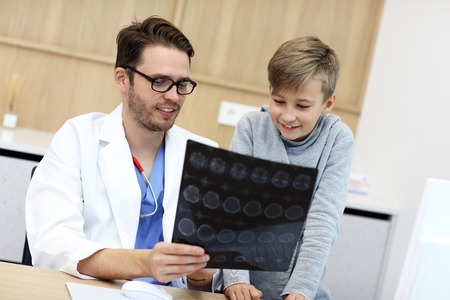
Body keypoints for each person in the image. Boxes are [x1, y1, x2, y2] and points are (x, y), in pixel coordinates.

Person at [25, 16, 221, 291]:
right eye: (160, 81)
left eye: (181, 84)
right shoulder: (78, 138)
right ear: (122, 78)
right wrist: (145, 264)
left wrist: (199, 274)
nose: (174, 96)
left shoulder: (204, 154)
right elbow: (53, 245)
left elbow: (202, 282)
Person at [223, 36, 354, 300]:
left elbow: (323, 221)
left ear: (327, 104)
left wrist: (300, 290)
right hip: (242, 286)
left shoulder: (337, 139)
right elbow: (233, 207)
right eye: (279, 101)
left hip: (303, 289)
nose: (288, 116)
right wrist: (234, 280)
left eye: (302, 106)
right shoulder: (251, 127)